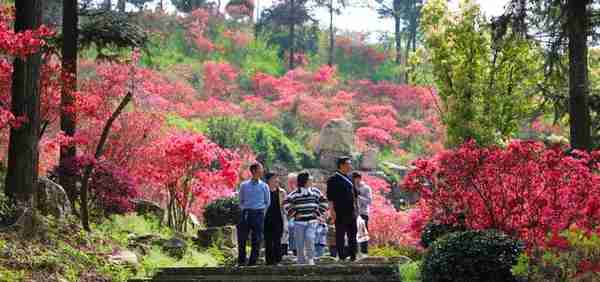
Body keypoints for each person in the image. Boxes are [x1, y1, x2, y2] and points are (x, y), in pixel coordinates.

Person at [284, 172, 328, 265]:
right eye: (310, 179)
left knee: (309, 238)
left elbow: (324, 201)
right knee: (299, 242)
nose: (311, 180)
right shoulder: (295, 193)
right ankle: (300, 260)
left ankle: (310, 258)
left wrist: (318, 213)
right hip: (299, 222)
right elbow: (286, 203)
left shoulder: (315, 191)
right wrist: (294, 213)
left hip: (312, 221)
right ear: (305, 181)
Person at [237, 163, 270, 266]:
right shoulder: (244, 185)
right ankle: (241, 261)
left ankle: (252, 262)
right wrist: (244, 210)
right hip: (246, 213)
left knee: (257, 239)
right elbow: (240, 201)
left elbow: (267, 202)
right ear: (254, 171)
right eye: (260, 169)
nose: (262, 171)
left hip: (259, 213)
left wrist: (262, 213)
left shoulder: (264, 186)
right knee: (242, 238)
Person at [326, 156, 358, 261]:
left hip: (351, 211)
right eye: (348, 164)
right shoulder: (333, 179)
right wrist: (332, 212)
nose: (350, 166)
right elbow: (330, 198)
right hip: (339, 212)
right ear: (342, 165)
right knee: (340, 234)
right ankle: (342, 256)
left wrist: (356, 208)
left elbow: (354, 195)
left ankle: (353, 255)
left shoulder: (350, 178)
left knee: (353, 234)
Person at [264, 173, 288, 265]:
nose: (277, 180)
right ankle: (269, 261)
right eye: (275, 178)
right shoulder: (264, 190)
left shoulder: (282, 192)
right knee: (268, 240)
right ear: (269, 180)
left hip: (279, 218)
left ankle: (278, 260)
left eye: (277, 178)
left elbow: (285, 206)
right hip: (266, 218)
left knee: (278, 240)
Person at [352, 172, 372, 254]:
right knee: (352, 234)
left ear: (359, 178)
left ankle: (364, 254)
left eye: (355, 179)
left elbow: (369, 201)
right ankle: (354, 253)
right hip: (352, 213)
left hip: (363, 213)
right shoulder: (350, 187)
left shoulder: (366, 188)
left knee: (363, 235)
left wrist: (358, 196)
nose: (354, 181)